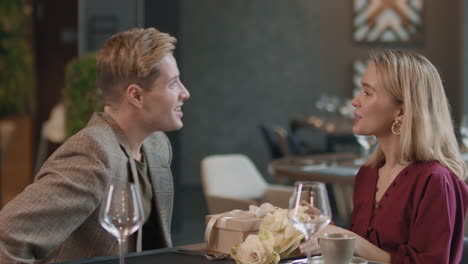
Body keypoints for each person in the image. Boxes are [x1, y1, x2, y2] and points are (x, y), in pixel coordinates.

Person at [0, 27, 190, 263]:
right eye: (173, 84)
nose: (185, 93)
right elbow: (6, 237)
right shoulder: (92, 153)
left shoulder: (156, 145)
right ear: (136, 96)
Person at [315, 50, 468, 263]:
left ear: (402, 111)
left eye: (367, 93)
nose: (355, 101)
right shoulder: (368, 174)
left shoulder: (436, 181)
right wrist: (328, 230)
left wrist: (352, 241)